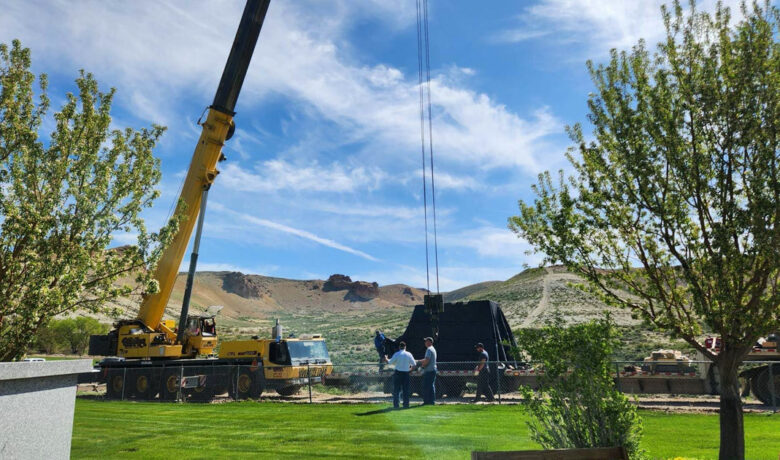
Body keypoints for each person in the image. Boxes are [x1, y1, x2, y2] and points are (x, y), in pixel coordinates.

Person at [386, 341, 415, 408]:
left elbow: (389, 362)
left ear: (399, 347)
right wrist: (410, 370)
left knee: (396, 390)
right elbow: (414, 364)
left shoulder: (397, 354)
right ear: (405, 347)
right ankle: (406, 404)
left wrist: (386, 358)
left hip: (398, 373)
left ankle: (396, 405)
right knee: (406, 390)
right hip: (406, 373)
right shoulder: (409, 354)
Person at [416, 337, 437, 405]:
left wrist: (421, 367)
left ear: (430, 342)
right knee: (431, 386)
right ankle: (432, 401)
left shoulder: (429, 349)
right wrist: (418, 361)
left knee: (426, 386)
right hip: (433, 370)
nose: (425, 342)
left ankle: (426, 402)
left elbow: (427, 360)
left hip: (429, 371)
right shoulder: (433, 349)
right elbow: (426, 359)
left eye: (426, 341)